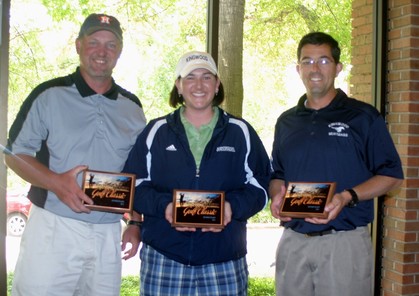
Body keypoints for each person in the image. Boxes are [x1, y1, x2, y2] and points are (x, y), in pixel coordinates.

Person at [4, 13, 146, 296]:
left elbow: (137, 172)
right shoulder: (48, 95)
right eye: (94, 42)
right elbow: (13, 153)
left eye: (110, 44)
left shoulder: (132, 108)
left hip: (108, 233)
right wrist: (57, 182)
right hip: (53, 228)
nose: (102, 52)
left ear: (120, 52)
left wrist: (135, 221)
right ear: (78, 45)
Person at [123, 51, 271, 295]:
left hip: (224, 259)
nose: (199, 85)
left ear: (217, 85)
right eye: (190, 77)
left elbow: (262, 185)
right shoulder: (156, 131)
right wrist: (166, 207)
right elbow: (134, 184)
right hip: (164, 257)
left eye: (206, 77)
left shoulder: (240, 131)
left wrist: (231, 207)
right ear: (179, 86)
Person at [269, 32, 404, 296]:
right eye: (307, 62)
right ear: (298, 69)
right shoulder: (286, 121)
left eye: (323, 61)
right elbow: (278, 174)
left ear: (338, 67)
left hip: (344, 243)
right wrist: (277, 196)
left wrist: (346, 197)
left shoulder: (363, 116)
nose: (315, 69)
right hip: (293, 242)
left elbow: (392, 176)